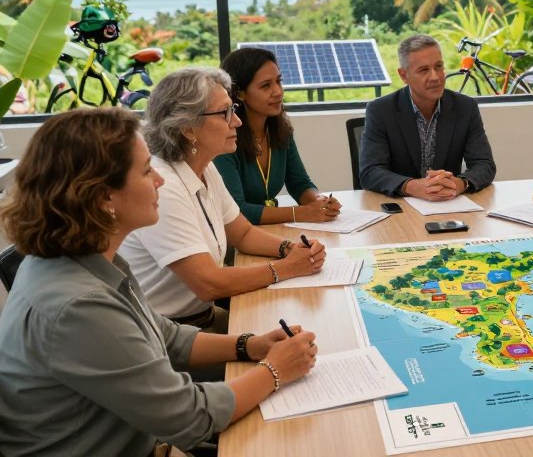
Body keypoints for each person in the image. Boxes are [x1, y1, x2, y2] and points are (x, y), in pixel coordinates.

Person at [0, 107, 318, 457]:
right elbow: (190, 416)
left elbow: (163, 335)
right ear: (104, 197)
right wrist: (275, 371)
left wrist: (249, 344)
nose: (160, 180)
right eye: (147, 171)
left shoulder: (87, 257)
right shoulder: (78, 305)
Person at [120, 67, 327, 334]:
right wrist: (286, 268)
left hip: (198, 320)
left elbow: (242, 233)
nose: (237, 122)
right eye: (225, 113)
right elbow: (209, 284)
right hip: (166, 335)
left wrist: (290, 248)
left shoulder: (204, 167)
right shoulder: (164, 186)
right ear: (188, 128)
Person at [360, 33, 496, 199]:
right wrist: (411, 186)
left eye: (438, 67)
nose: (435, 77)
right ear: (404, 75)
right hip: (402, 207)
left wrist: (458, 184)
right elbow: (370, 172)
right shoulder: (381, 110)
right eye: (424, 70)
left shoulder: (465, 107)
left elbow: (485, 165)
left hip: (448, 205)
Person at [215, 47, 341, 225]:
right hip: (234, 239)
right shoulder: (225, 139)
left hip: (269, 229)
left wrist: (319, 201)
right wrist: (300, 213)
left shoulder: (280, 130)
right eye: (266, 85)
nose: (278, 92)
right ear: (240, 93)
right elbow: (236, 210)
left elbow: (300, 184)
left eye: (278, 82)